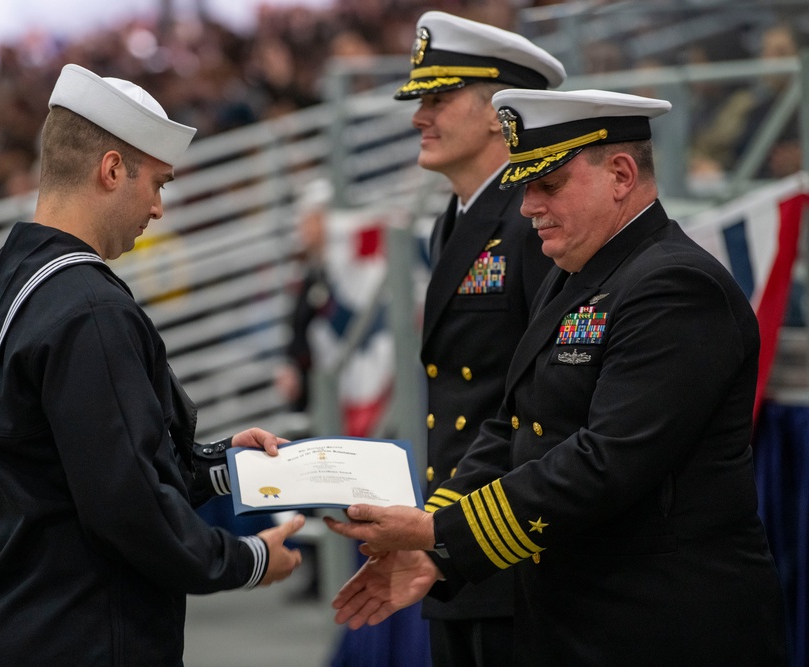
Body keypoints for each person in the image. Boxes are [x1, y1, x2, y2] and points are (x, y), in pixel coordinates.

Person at [325, 88, 788, 666]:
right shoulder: (578, 274)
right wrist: (438, 544)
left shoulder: (676, 286)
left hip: (661, 625)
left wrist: (439, 531)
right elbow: (511, 424)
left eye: (549, 185)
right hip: (573, 618)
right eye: (524, 187)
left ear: (621, 173)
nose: (527, 207)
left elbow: (604, 462)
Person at [0, 64, 304, 666]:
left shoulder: (8, 279)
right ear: (112, 170)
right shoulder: (88, 308)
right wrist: (249, 560)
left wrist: (217, 466)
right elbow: (125, 504)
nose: (159, 209)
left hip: (19, 623)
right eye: (157, 184)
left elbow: (67, 465)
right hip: (90, 634)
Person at [391, 12, 565, 666]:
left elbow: (543, 401)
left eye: (439, 99)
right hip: (455, 537)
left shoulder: (534, 219)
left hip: (506, 545)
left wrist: (451, 525)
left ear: (498, 112)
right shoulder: (457, 218)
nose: (419, 117)